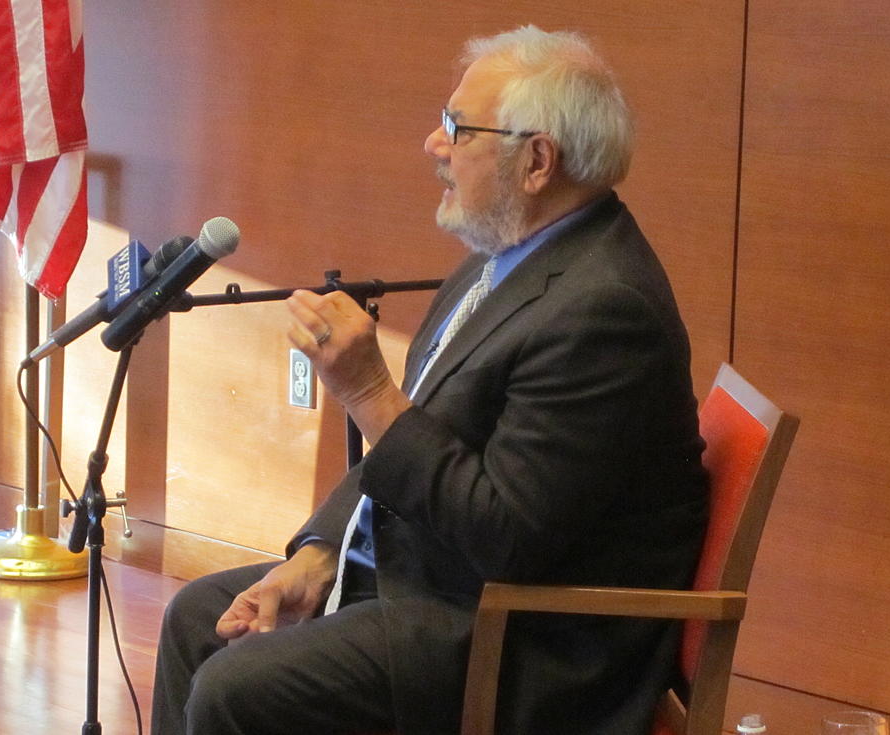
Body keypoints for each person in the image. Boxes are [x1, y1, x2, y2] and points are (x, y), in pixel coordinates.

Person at [151, 25, 708, 735]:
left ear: (537, 159)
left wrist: (368, 395)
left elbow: (504, 538)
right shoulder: (500, 261)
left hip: (521, 642)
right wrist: (319, 555)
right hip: (437, 583)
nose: (434, 144)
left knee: (237, 686)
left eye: (457, 127)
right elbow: (417, 445)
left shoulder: (604, 310)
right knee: (197, 619)